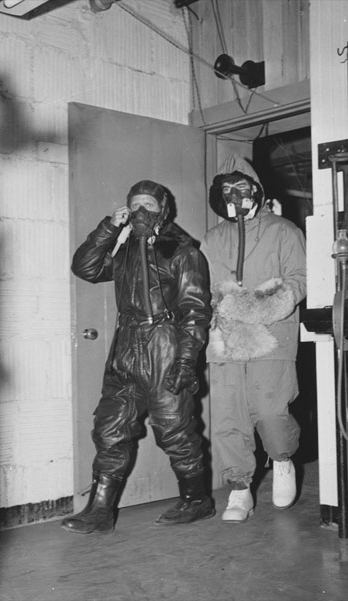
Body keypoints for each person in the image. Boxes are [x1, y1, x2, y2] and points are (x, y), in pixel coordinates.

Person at [62, 180, 215, 534]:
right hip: (126, 349)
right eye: (134, 205)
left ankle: (197, 500)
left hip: (164, 346)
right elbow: (85, 268)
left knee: (175, 429)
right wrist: (109, 228)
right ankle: (100, 510)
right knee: (110, 429)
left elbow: (195, 311)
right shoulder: (125, 250)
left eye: (149, 204)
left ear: (163, 210)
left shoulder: (183, 251)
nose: (141, 211)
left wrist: (185, 360)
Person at [200, 155, 306, 523]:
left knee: (270, 411)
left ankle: (282, 459)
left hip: (271, 336)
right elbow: (203, 287)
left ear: (256, 191)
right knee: (228, 416)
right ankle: (239, 487)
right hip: (226, 339)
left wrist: (264, 305)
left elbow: (300, 279)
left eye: (241, 186)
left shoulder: (284, 231)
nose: (234, 194)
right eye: (226, 188)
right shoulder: (213, 238)